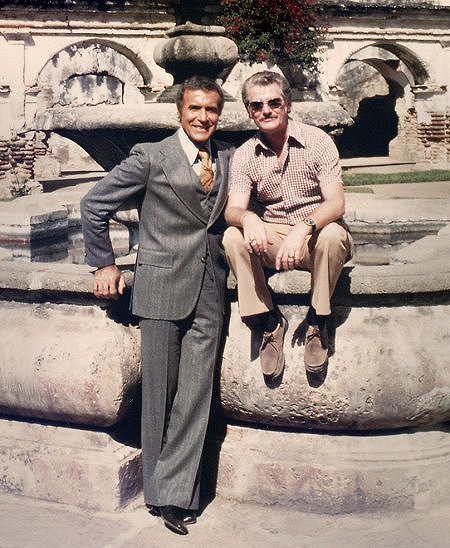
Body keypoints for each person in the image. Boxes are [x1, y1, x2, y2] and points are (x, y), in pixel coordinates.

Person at [80, 75, 233, 536]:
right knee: (159, 395)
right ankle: (158, 489)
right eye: (195, 109)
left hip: (211, 290)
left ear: (218, 114)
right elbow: (94, 205)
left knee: (196, 393)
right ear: (179, 112)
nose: (203, 117)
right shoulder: (150, 156)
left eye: (211, 110)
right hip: (161, 287)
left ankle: (176, 495)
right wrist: (103, 264)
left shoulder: (227, 157)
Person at [223, 70, 353, 379]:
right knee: (231, 236)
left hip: (316, 232)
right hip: (275, 236)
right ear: (249, 111)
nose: (266, 110)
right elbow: (233, 209)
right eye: (257, 105)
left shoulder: (317, 141)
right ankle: (268, 321)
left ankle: (318, 321)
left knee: (334, 235)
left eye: (273, 102)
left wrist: (303, 227)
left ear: (288, 104)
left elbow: (336, 203)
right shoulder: (245, 154)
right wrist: (248, 217)